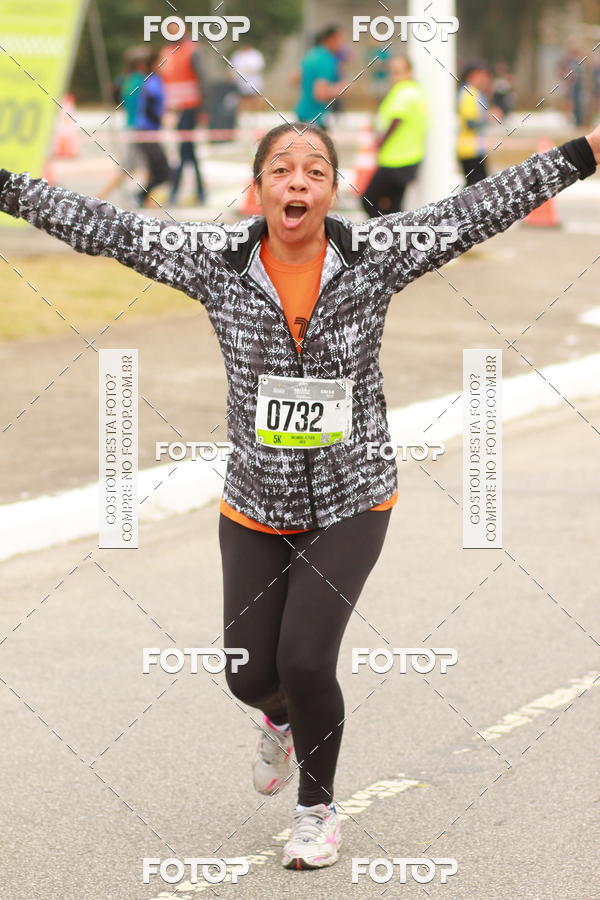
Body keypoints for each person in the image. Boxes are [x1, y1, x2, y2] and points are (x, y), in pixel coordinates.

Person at [0, 120, 597, 870]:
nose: (298, 181)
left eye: (315, 170)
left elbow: (476, 210)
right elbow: (109, 229)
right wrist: (7, 187)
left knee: (307, 661)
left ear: (331, 190)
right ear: (259, 190)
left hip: (353, 495)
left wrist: (584, 152)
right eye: (282, 169)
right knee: (250, 674)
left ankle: (317, 809)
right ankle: (277, 718)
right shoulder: (217, 263)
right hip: (256, 500)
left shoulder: (373, 257)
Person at [361, 56, 428, 216]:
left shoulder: (405, 92)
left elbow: (396, 119)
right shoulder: (413, 91)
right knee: (394, 206)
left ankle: (385, 233)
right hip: (408, 157)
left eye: (398, 71)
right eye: (392, 72)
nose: (394, 76)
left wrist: (380, 141)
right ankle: (395, 236)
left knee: (368, 200)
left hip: (396, 160)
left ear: (409, 72)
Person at [159, 22, 207, 205]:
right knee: (188, 152)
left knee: (184, 151)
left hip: (190, 107)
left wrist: (204, 110)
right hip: (175, 110)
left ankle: (175, 191)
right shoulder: (167, 52)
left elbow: (203, 80)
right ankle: (199, 191)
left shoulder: (192, 50)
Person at [99, 47, 146, 201]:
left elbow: (112, 91)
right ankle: (103, 196)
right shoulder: (142, 80)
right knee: (130, 167)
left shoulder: (124, 79)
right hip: (141, 127)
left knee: (137, 166)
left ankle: (144, 197)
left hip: (131, 125)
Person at [295, 25, 348, 129]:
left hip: (303, 112)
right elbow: (320, 94)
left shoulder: (311, 54)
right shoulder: (327, 59)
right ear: (332, 39)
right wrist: (342, 89)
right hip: (315, 117)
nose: (342, 44)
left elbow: (295, 78)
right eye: (340, 39)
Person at [135, 49, 171, 207]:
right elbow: (150, 106)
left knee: (158, 170)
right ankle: (140, 196)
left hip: (150, 131)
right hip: (146, 132)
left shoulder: (154, 80)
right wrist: (162, 118)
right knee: (162, 171)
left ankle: (143, 197)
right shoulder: (152, 81)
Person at [457, 60, 494, 185]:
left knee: (476, 185)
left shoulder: (473, 93)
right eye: (482, 75)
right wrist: (488, 117)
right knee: (477, 187)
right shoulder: (469, 94)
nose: (486, 79)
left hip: (474, 148)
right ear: (473, 75)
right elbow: (470, 123)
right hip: (469, 150)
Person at [230, 42, 265, 112]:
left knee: (255, 98)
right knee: (242, 99)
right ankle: (243, 114)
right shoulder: (237, 55)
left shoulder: (255, 54)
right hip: (240, 82)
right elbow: (232, 68)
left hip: (254, 81)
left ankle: (255, 114)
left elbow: (258, 66)